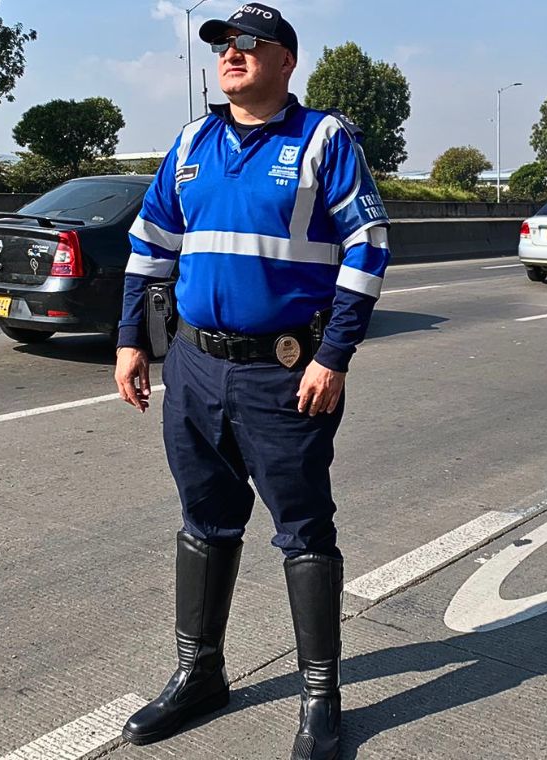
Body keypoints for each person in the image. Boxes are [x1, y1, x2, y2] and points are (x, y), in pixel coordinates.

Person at [112, 5, 391, 758]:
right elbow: (149, 245)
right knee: (205, 519)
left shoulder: (323, 141)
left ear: (285, 61)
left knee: (303, 529)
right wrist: (132, 339)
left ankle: (320, 698)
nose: (229, 56)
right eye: (220, 46)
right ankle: (199, 672)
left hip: (285, 373)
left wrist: (334, 356)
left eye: (246, 44)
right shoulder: (192, 141)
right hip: (195, 368)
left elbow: (368, 247)